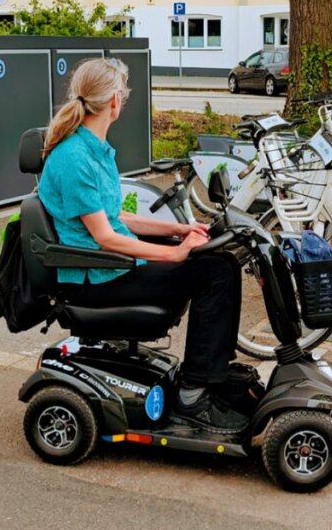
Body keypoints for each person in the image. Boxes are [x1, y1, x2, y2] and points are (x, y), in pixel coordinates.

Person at [37, 57, 247, 432]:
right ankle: (193, 395)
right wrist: (173, 253)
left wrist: (179, 231)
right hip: (95, 278)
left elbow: (118, 219)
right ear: (115, 101)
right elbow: (104, 236)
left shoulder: (95, 150)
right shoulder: (75, 157)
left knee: (223, 262)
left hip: (109, 265)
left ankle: (215, 375)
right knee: (213, 272)